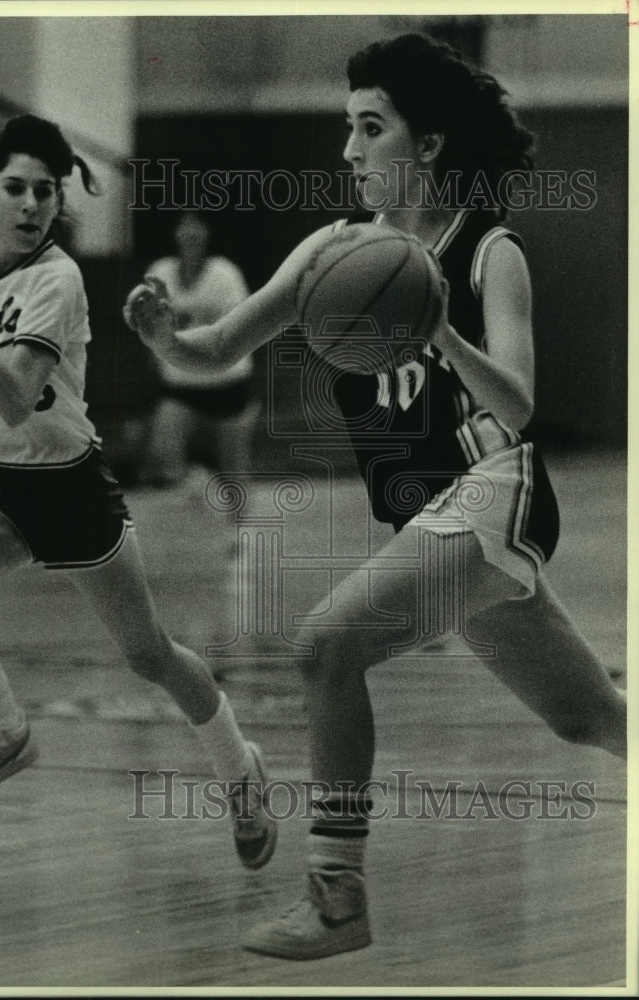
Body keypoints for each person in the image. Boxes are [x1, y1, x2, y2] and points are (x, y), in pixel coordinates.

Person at [124, 34, 627, 960]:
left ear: (425, 146)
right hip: (429, 515)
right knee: (589, 717)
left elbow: (517, 404)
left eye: (370, 128)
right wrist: (165, 334)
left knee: (324, 644)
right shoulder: (333, 252)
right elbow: (219, 347)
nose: (349, 152)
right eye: (345, 130)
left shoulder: (486, 248)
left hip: (495, 489)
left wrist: (441, 333)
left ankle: (335, 898)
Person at [0, 114, 277, 871]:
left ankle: (242, 772)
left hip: (68, 486)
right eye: (15, 188)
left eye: (45, 191)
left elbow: (12, 398)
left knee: (149, 655)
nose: (31, 204)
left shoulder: (58, 278)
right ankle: (5, 734)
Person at [142, 211, 259, 488]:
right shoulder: (160, 272)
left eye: (198, 225)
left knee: (235, 472)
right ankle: (200, 485)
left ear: (209, 233)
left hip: (227, 383)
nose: (190, 232)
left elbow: (239, 329)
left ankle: (241, 527)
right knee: (164, 457)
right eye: (184, 225)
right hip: (180, 385)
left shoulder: (226, 274)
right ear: (174, 233)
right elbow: (149, 328)